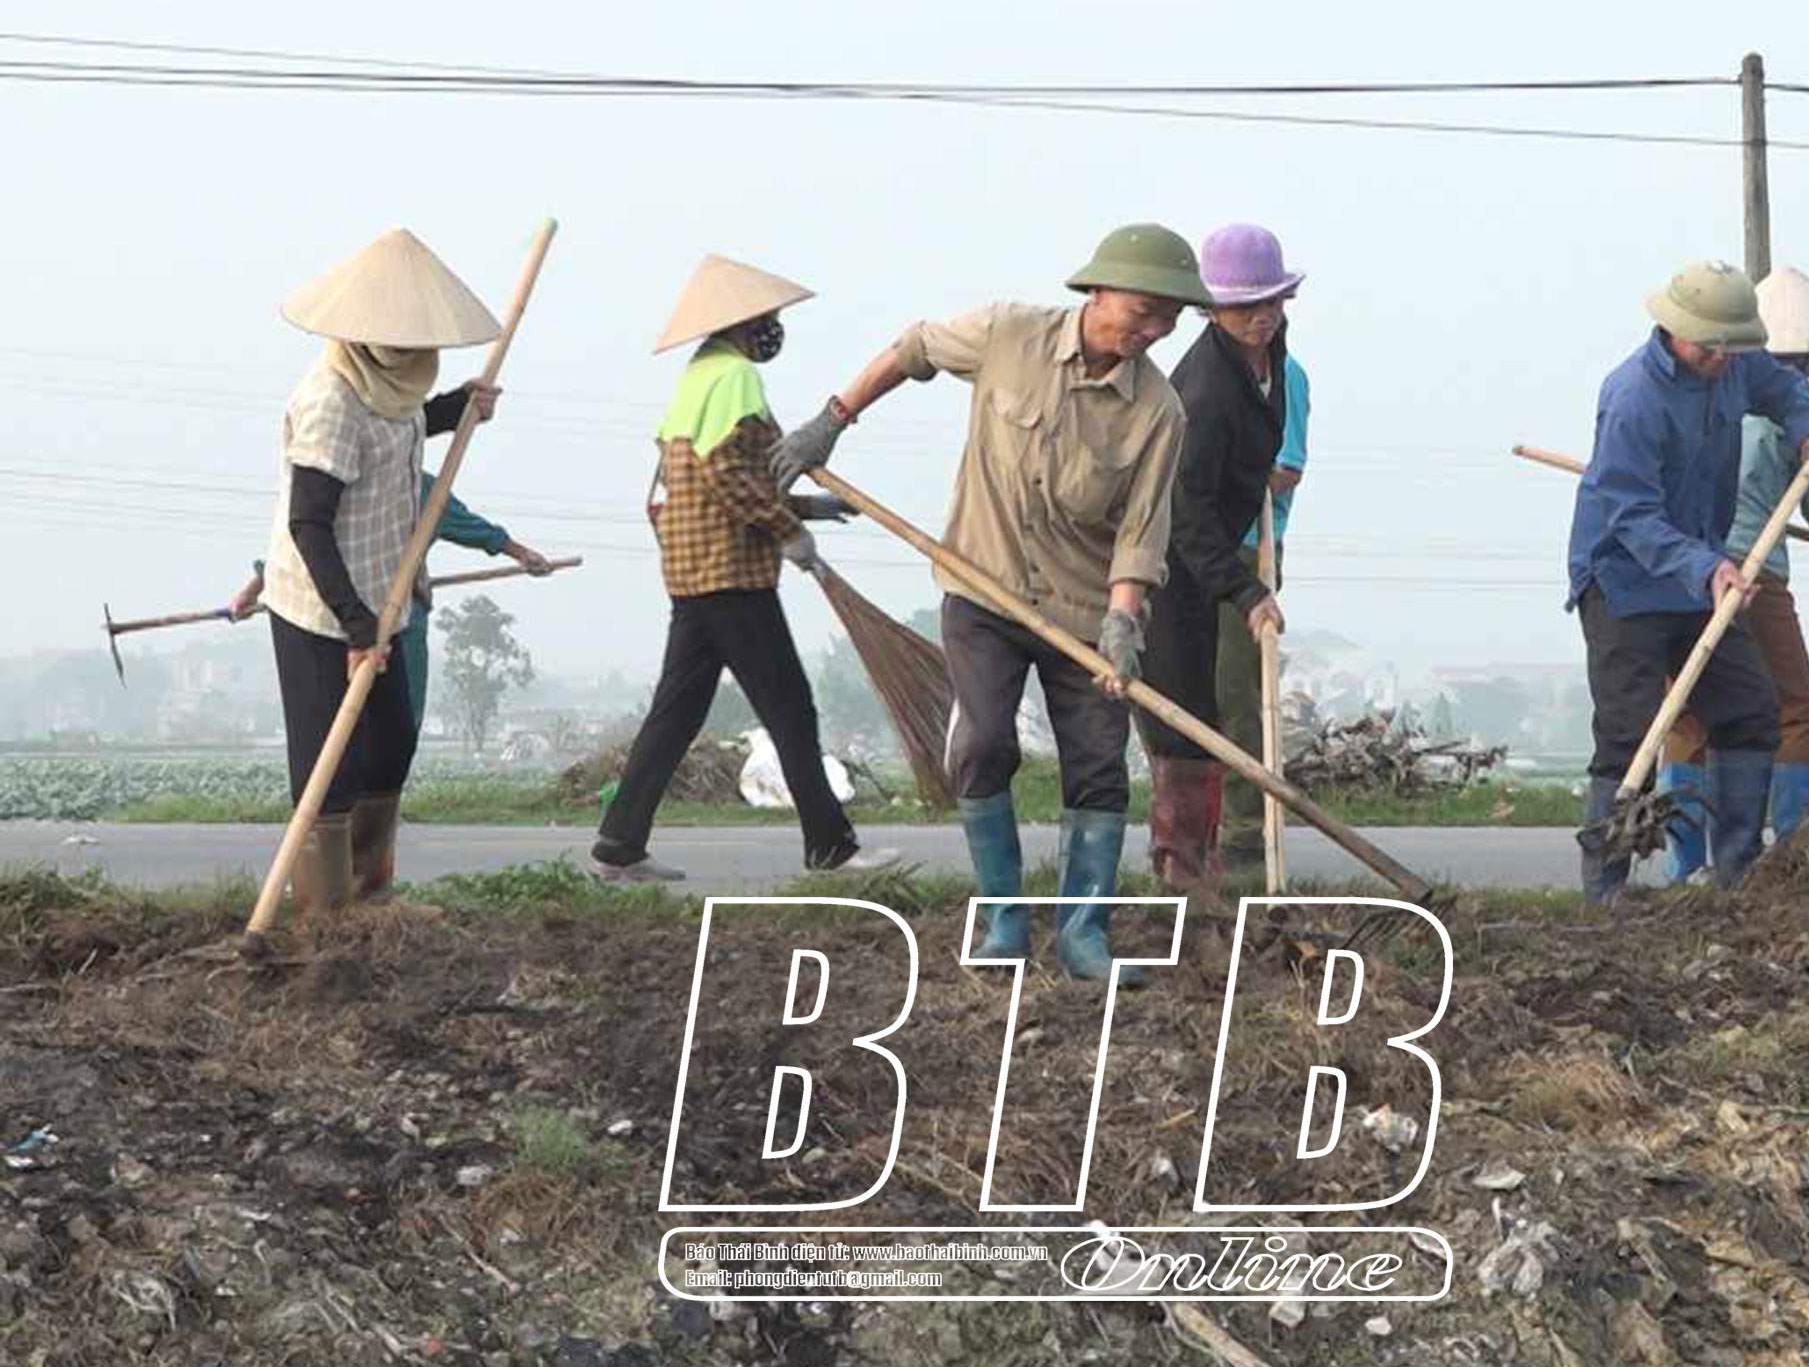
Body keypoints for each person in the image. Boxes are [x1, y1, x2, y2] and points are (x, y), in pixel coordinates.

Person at [778, 225, 1201, 983]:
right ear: (1096, 291)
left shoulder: (1158, 412)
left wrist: (1122, 621)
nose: (1153, 331)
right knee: (982, 746)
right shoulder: (1008, 335)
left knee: (1099, 767)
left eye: (1168, 320)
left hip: (1084, 611)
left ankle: (1082, 935)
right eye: (1143, 312)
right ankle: (1004, 918)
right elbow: (914, 350)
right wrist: (832, 420)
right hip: (981, 587)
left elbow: (1141, 533)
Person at [589, 256, 895, 883]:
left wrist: (805, 506)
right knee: (790, 708)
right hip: (731, 573)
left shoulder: (698, 375)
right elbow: (728, 473)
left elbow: (708, 477)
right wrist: (789, 531)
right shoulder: (735, 377)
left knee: (676, 714)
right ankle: (831, 848)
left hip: (692, 570)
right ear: (741, 322)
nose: (773, 327)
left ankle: (619, 845)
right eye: (767, 317)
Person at [1566, 259, 1809, 904]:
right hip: (1625, 580)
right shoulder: (1634, 399)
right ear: (1677, 332)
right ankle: (1605, 893)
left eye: (1730, 348)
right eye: (1711, 347)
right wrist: (1706, 567)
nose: (1722, 359)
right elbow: (1632, 514)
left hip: (1700, 576)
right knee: (1629, 733)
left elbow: (1785, 389)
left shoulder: (1736, 363)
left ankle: (1735, 877)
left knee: (1749, 711)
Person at [261, 229, 502, 917]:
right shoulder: (331, 401)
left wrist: (457, 408)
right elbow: (310, 523)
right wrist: (355, 624)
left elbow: (402, 422)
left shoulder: (393, 388)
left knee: (391, 743)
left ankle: (372, 896)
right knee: (328, 763)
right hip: (321, 604)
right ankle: (324, 914)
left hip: (383, 596)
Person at [1655, 267, 1809, 880]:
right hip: (1752, 574)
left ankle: (1684, 868)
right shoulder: (1796, 418)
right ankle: (1794, 859)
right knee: (1795, 709)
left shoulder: (1710, 398)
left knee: (1688, 713)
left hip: (1684, 570)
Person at [1142, 224, 1298, 895]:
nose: (1261, 317)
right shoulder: (1203, 392)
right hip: (1167, 564)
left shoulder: (1270, 360)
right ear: (1212, 310)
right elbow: (1185, 514)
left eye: (1271, 301)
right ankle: (1181, 872)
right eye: (1244, 307)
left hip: (1217, 554)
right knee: (1182, 716)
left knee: (1210, 710)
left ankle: (1205, 867)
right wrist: (1247, 591)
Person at [230, 477, 559, 737]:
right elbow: (298, 545)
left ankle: (384, 792)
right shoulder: (344, 486)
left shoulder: (426, 491)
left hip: (403, 618)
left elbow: (478, 530)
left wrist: (523, 555)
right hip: (342, 617)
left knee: (400, 721)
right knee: (339, 721)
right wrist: (251, 591)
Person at [1216, 344, 1311, 872]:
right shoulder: (1208, 373)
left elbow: (1286, 467)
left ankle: (1247, 827)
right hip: (1199, 546)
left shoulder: (1286, 375)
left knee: (1236, 689)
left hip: (1250, 546)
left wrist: (1224, 483)